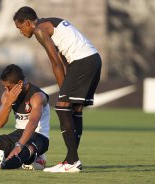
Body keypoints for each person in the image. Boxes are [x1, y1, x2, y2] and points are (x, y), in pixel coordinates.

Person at [13, 6, 102, 173]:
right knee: (75, 109)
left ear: (27, 23)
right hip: (94, 60)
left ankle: (72, 161)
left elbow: (56, 63)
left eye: (19, 27)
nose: (20, 32)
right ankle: (71, 159)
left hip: (82, 62)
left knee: (62, 107)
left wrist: (64, 92)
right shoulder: (50, 23)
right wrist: (67, 90)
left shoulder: (40, 30)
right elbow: (64, 59)